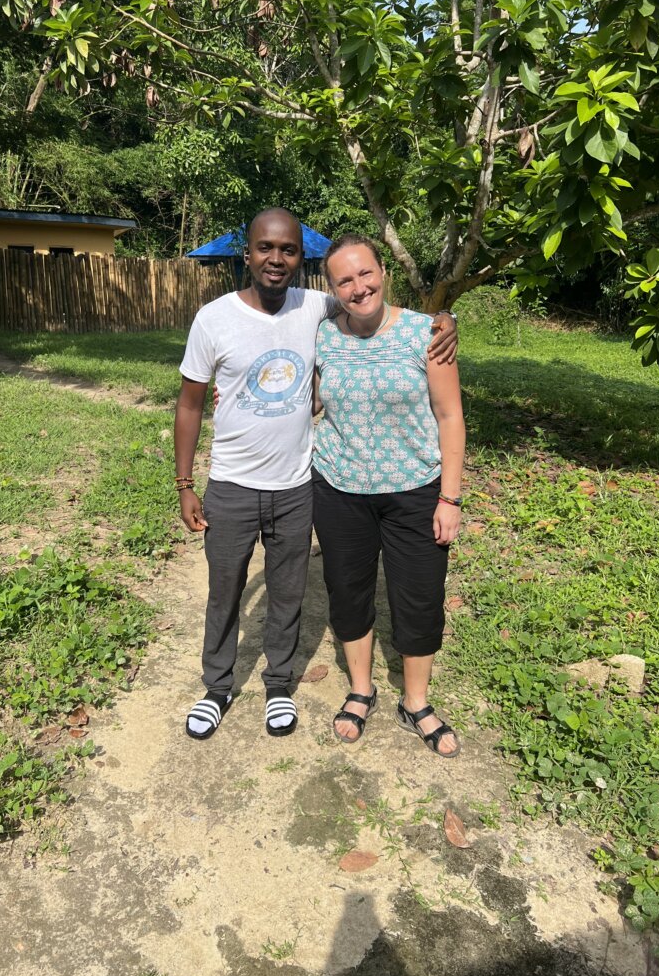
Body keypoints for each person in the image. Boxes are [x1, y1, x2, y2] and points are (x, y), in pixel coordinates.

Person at [174, 209, 458, 740]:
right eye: (265, 248)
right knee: (224, 589)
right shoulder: (214, 318)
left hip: (298, 483)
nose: (276, 259)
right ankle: (217, 687)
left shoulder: (318, 306)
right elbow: (190, 403)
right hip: (240, 482)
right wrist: (186, 484)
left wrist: (448, 321)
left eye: (287, 250)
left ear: (301, 259)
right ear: (248, 253)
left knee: (288, 592)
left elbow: (380, 310)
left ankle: (279, 685)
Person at [312, 233, 465, 757]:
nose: (359, 287)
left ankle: (416, 701)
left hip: (416, 492)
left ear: (384, 272)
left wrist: (450, 498)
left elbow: (450, 416)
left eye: (366, 273)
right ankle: (361, 689)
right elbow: (302, 396)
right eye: (345, 280)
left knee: (419, 597)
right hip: (338, 488)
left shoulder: (428, 335)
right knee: (348, 591)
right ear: (332, 289)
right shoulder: (323, 337)